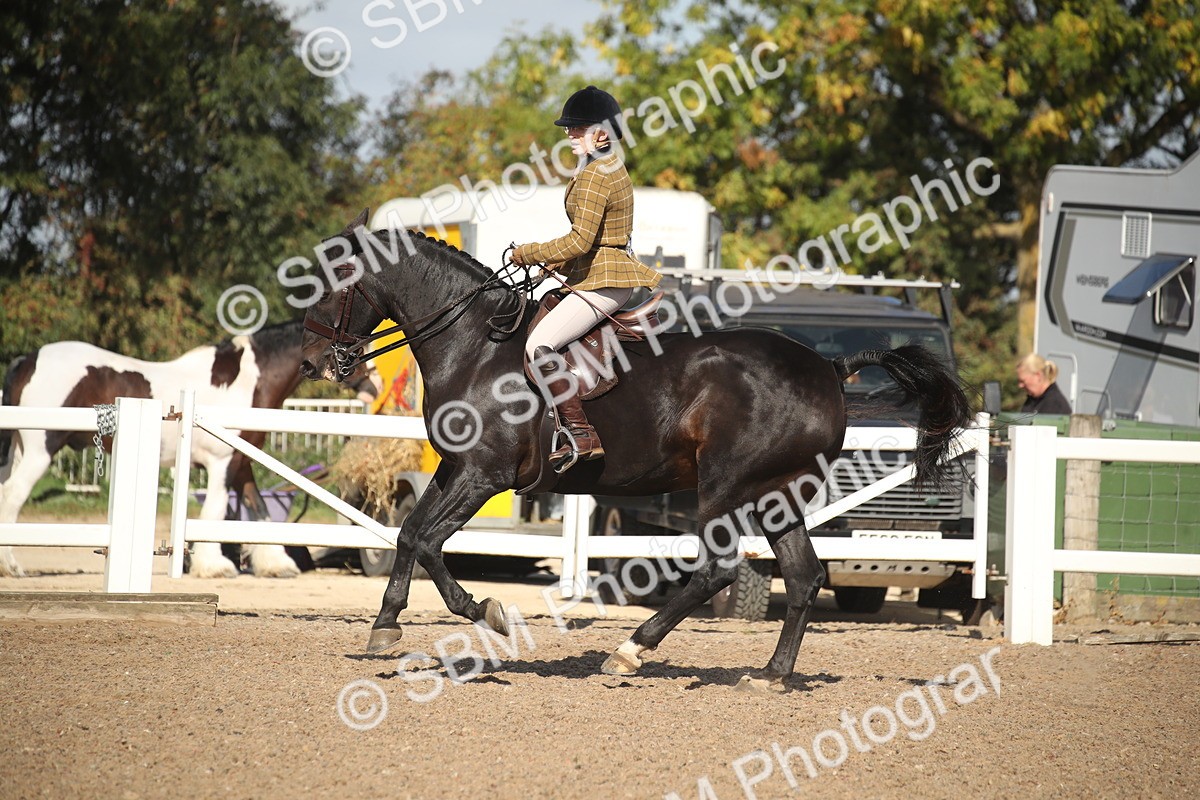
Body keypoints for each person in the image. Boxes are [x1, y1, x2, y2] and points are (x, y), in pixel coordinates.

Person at [511, 85, 661, 470]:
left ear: (602, 131)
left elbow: (580, 240)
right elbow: (594, 242)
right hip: (597, 274)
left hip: (606, 281)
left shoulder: (597, 173)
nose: (569, 134)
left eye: (578, 128)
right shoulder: (603, 167)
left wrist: (528, 253)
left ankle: (580, 432)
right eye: (570, 128)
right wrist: (556, 266)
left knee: (540, 343)